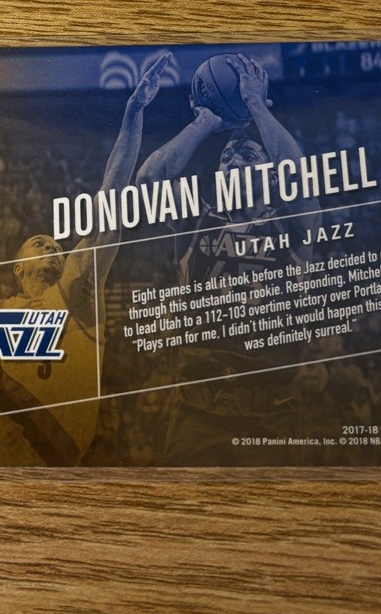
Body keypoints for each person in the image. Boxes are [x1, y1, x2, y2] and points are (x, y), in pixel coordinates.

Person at [0, 54, 170, 466]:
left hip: (45, 452)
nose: (54, 247)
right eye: (40, 243)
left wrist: (134, 113)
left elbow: (111, 198)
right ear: (18, 268)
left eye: (57, 246)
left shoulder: (75, 292)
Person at [135, 54, 324, 462]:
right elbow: (148, 181)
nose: (234, 158)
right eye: (226, 157)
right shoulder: (197, 220)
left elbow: (301, 178)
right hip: (198, 408)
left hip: (271, 409)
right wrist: (204, 123)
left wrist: (255, 103)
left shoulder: (293, 227)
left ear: (271, 176)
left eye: (248, 155)